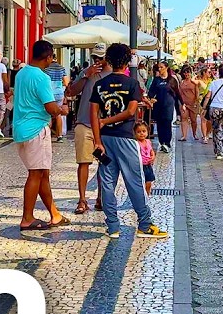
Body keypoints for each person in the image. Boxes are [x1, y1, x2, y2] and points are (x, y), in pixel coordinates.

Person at [92, 42, 167, 239]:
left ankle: (113, 226)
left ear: (107, 60)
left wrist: (97, 140)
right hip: (125, 138)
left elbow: (94, 115)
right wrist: (107, 120)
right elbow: (131, 111)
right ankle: (144, 224)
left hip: (105, 139)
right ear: (127, 62)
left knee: (107, 182)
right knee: (135, 181)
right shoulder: (131, 84)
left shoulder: (99, 84)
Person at [12, 40, 70, 231]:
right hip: (36, 129)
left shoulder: (21, 73)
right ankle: (27, 218)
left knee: (43, 173)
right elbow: (50, 107)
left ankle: (54, 214)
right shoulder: (41, 77)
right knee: (36, 174)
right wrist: (62, 110)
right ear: (48, 57)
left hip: (21, 128)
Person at [67, 44, 111, 214]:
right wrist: (85, 76)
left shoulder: (114, 75)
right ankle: (82, 199)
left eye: (100, 58)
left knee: (104, 164)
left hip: (104, 127)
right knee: (83, 162)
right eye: (95, 58)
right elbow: (70, 92)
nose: (97, 61)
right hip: (84, 124)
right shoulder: (86, 73)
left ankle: (101, 198)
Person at [148, 62, 180, 153]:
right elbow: (151, 92)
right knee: (160, 124)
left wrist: (181, 106)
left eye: (161, 67)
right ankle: (162, 142)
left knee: (167, 123)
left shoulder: (172, 80)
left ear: (166, 68)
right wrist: (151, 98)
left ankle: (167, 143)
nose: (160, 69)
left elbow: (177, 93)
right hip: (158, 105)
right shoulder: (156, 80)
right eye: (159, 68)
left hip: (169, 105)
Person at [45, 53, 69, 141]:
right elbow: (66, 83)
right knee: (58, 114)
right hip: (59, 93)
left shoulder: (46, 68)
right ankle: (59, 136)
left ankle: (48, 135)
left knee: (47, 114)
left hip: (49, 92)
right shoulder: (61, 68)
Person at [178, 67, 201, 141]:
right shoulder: (182, 82)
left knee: (193, 120)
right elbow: (180, 93)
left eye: (188, 72)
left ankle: (194, 134)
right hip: (184, 104)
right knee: (184, 118)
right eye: (185, 72)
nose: (186, 74)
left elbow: (197, 93)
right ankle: (184, 135)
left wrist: (196, 102)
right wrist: (181, 103)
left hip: (193, 104)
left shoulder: (194, 82)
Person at [135, 120, 156, 195]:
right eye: (139, 132)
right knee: (140, 182)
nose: (141, 133)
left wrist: (153, 156)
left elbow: (151, 151)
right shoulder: (136, 143)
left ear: (147, 132)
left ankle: (147, 194)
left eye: (144, 131)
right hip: (140, 166)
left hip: (148, 165)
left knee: (149, 181)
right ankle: (141, 195)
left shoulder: (148, 141)